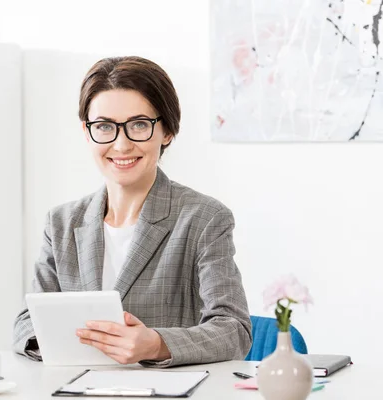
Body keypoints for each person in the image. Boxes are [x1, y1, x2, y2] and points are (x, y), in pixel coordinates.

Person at [13, 56, 252, 367]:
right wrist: (56, 343)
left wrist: (157, 344)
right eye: (104, 126)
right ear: (87, 132)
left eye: (139, 125)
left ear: (166, 131)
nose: (122, 144)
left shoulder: (204, 219)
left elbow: (234, 330)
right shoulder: (60, 223)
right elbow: (25, 322)